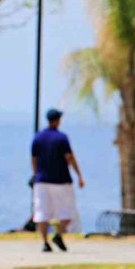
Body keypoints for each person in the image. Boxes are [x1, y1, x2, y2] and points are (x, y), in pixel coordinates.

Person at [31, 108, 85, 252]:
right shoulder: (62, 138)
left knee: (42, 212)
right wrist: (79, 174)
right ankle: (58, 234)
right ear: (57, 120)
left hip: (41, 181)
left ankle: (44, 242)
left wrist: (35, 175)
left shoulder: (38, 137)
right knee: (69, 211)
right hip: (61, 180)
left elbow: (34, 159)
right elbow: (70, 157)